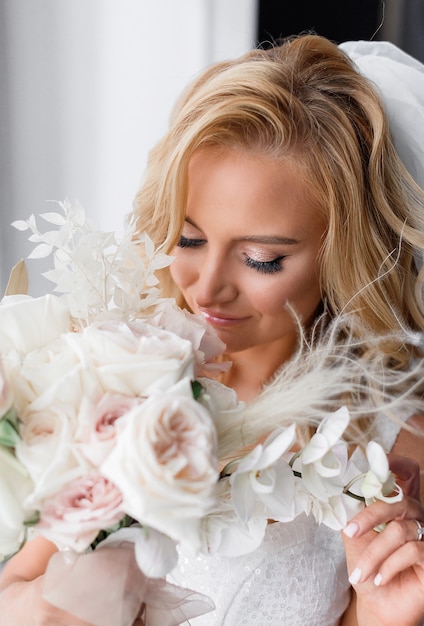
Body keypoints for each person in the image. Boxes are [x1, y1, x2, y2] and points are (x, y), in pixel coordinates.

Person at [1, 33, 424, 626]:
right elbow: (12, 592)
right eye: (189, 238)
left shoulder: (396, 453)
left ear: (339, 255)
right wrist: (81, 595)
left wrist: (383, 616)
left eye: (260, 259)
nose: (207, 289)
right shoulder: (109, 376)